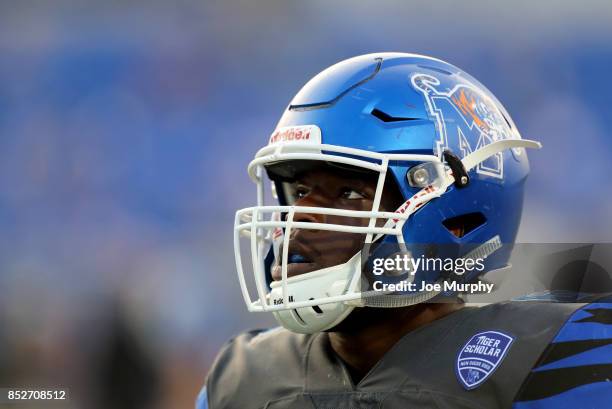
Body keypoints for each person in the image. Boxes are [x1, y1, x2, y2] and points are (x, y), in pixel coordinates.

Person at [197, 53, 612, 408]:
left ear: (455, 217)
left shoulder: (551, 354)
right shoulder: (241, 378)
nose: (301, 219)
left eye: (348, 192)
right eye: (301, 190)